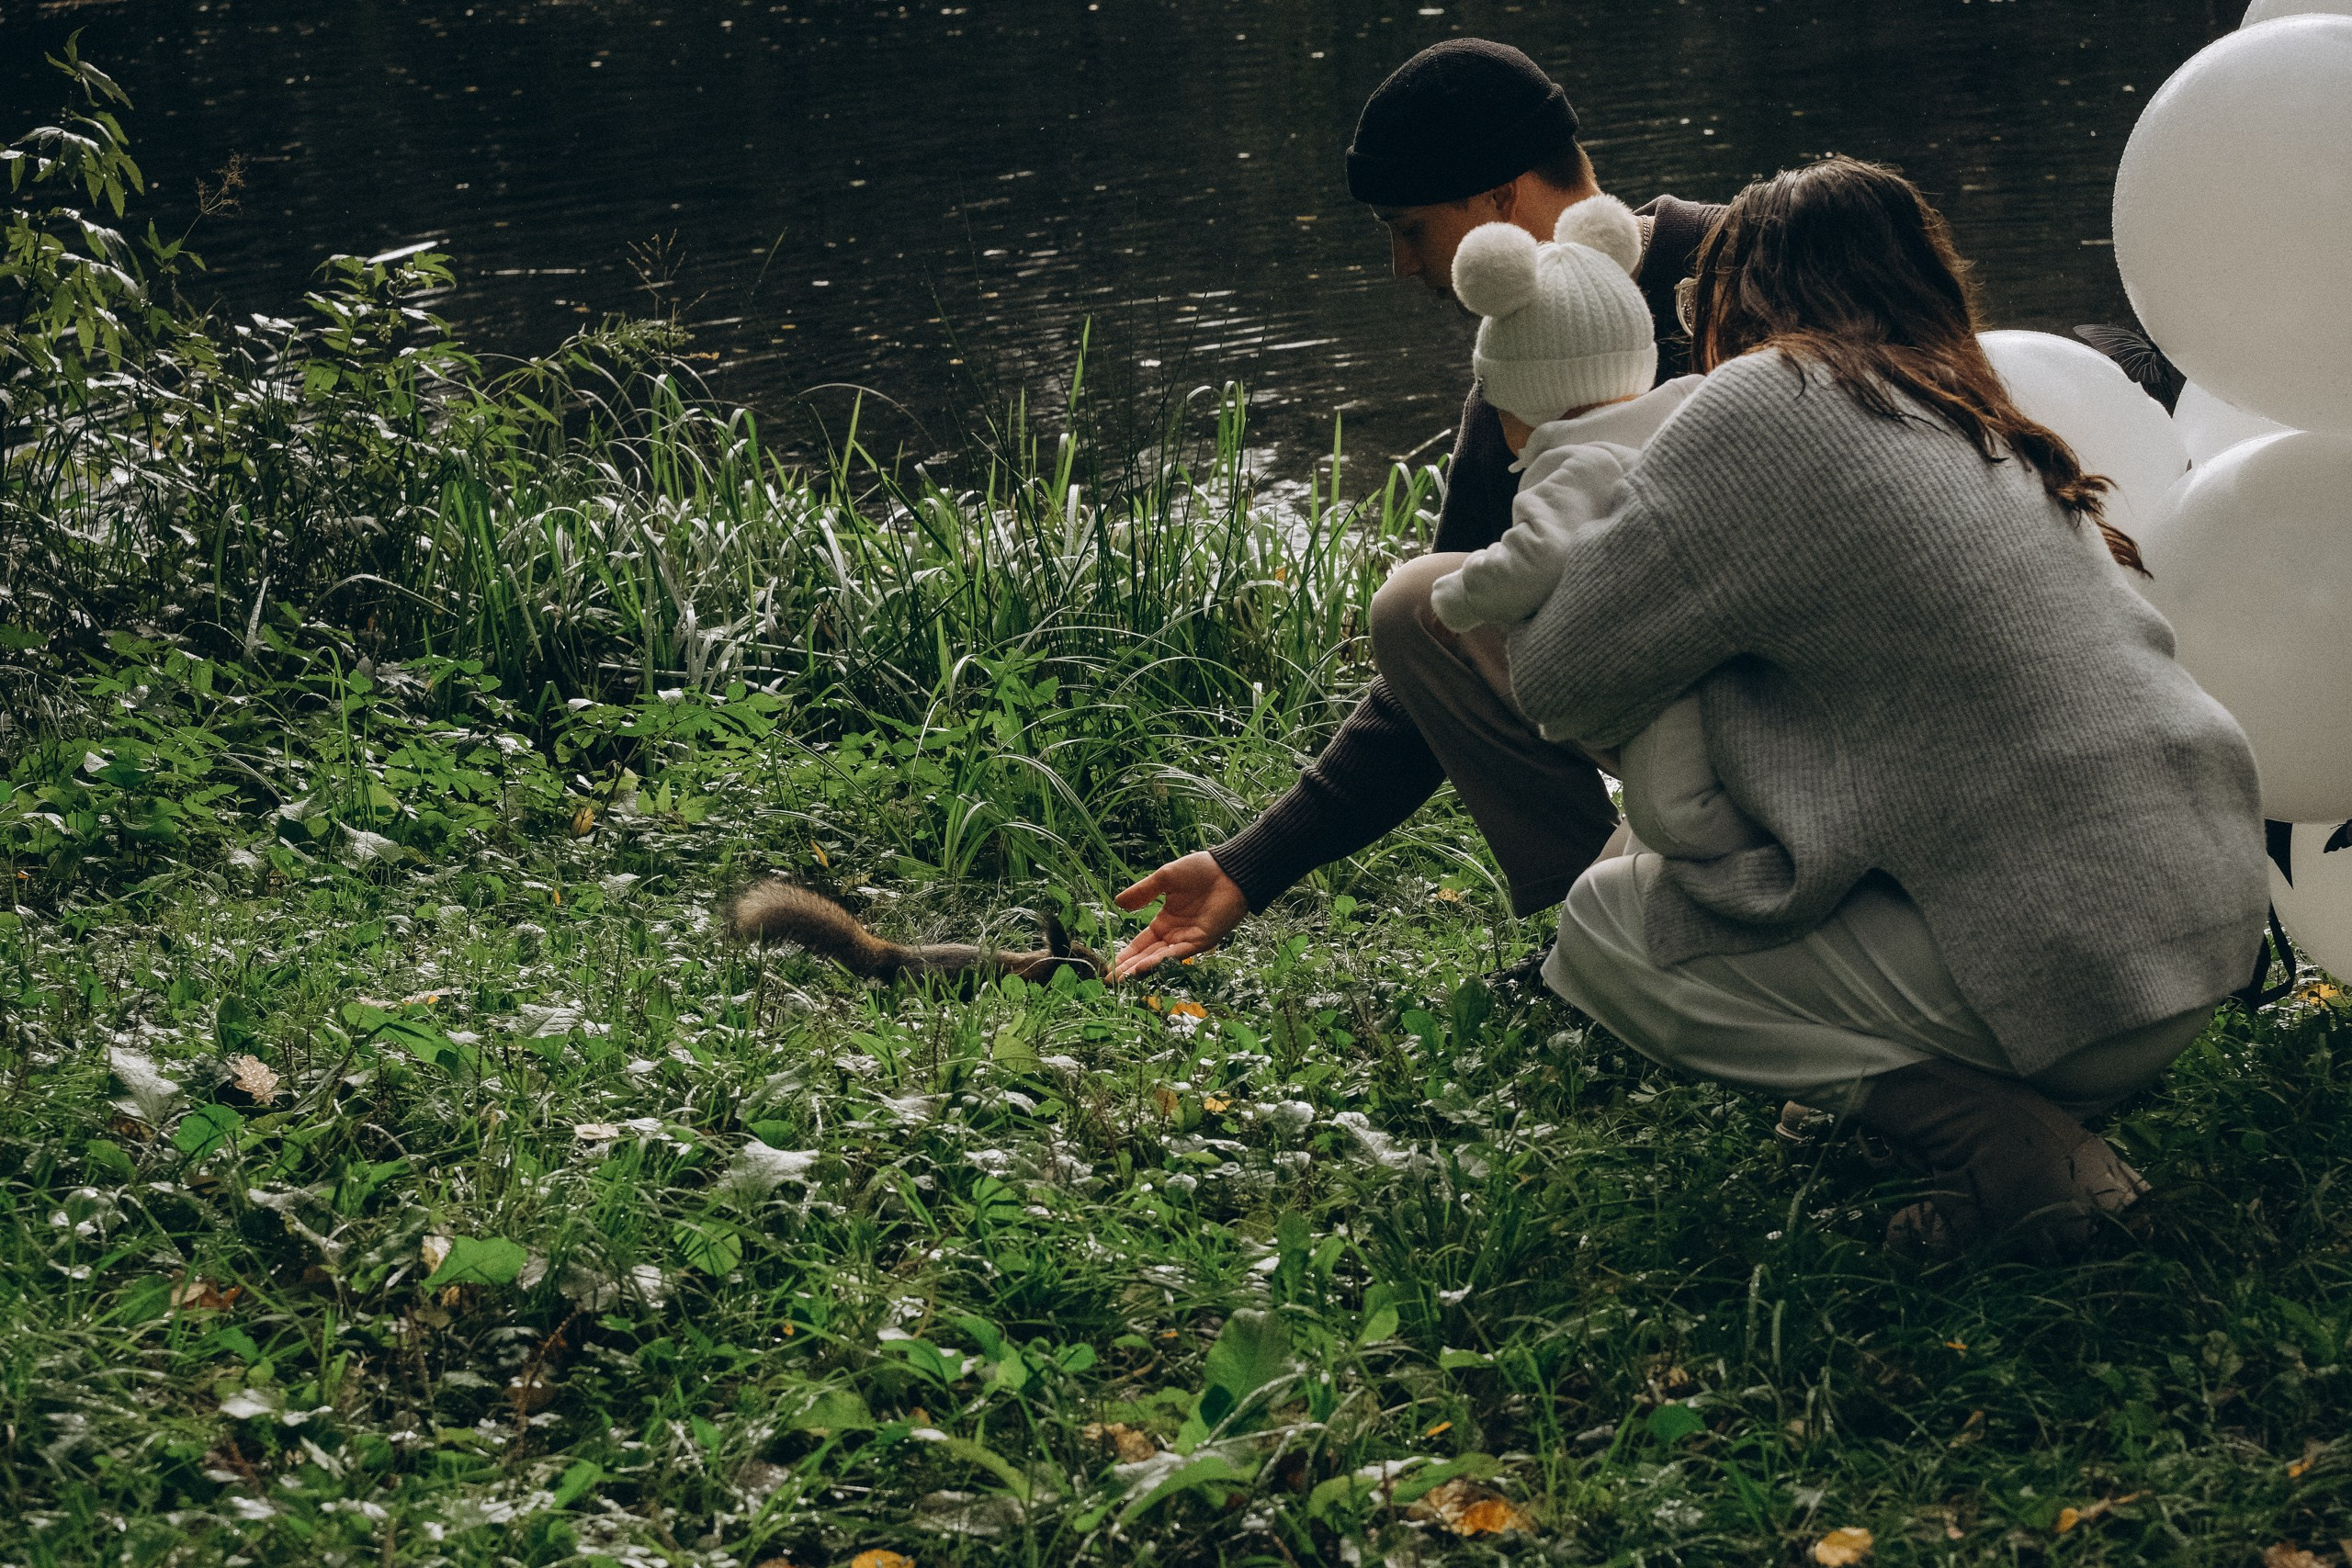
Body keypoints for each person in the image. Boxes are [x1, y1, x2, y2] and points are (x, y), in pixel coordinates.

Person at [1498, 156, 2268, 1256]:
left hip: (2075, 970)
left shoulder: (1767, 398)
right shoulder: (1972, 411)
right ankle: (2030, 1119)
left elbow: (1562, 677)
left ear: (1739, 301)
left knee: (1608, 932)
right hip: (2201, 924)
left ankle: (2018, 1154)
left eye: (1693, 304)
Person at [1112, 39, 1724, 980]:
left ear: (1498, 206)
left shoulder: (1755, 273)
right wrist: (1251, 864)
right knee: (1426, 603)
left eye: (1409, 228)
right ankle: (1621, 950)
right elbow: (1436, 666)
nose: (1401, 268)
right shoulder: (1511, 403)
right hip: (1697, 724)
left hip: (1845, 683)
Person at [1422, 192, 1765, 865]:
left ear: (1528, 400)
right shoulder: (1691, 401)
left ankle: (1698, 862)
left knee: (1667, 803)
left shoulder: (1570, 466)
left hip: (1657, 673)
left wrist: (1461, 594)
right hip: (1736, 649)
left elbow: (1535, 555)